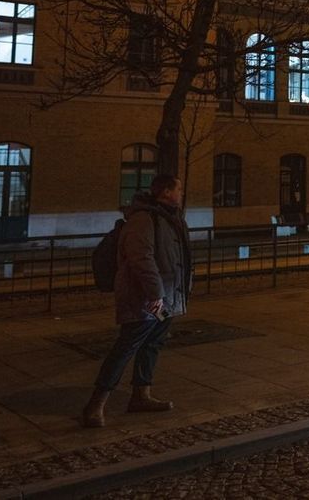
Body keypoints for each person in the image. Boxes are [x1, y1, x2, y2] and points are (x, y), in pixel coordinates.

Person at [82, 174, 192, 428]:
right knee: (127, 346)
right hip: (148, 300)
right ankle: (96, 404)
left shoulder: (168, 218)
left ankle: (141, 394)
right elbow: (141, 258)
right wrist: (155, 294)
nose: (181, 194)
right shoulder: (144, 218)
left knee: (153, 342)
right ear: (165, 192)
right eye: (178, 189)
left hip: (165, 300)